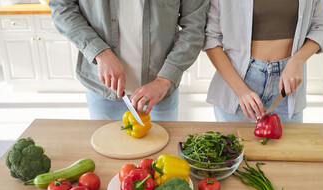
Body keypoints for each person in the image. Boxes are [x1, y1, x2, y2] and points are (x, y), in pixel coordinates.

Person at [49, 0, 207, 121]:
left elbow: (194, 27)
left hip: (160, 93)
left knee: (160, 159)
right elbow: (61, 7)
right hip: (103, 91)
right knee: (108, 159)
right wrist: (100, 52)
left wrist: (164, 80)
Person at [204, 0, 323, 123]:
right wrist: (241, 90)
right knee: (237, 146)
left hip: (287, 87)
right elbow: (211, 37)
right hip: (237, 85)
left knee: (288, 146)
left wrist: (297, 61)